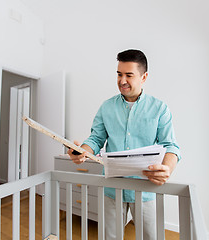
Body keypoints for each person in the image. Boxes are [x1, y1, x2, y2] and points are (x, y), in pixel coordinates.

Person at [68, 49, 181, 239]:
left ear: (144, 77)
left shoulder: (160, 108)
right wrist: (82, 152)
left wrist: (167, 168)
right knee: (109, 236)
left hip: (146, 187)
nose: (122, 80)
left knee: (150, 236)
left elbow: (170, 146)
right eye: (119, 74)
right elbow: (95, 139)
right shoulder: (106, 107)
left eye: (129, 75)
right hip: (112, 187)